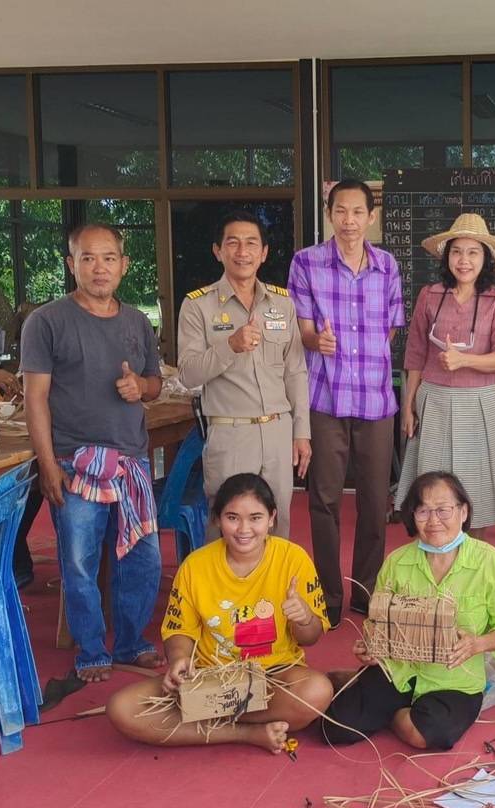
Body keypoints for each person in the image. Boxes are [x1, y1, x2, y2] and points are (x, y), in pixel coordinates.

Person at [21, 223, 164, 682]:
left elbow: (155, 384)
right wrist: (48, 466)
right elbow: (35, 399)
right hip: (75, 461)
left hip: (132, 461)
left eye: (108, 258)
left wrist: (140, 387)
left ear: (124, 265)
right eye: (87, 258)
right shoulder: (46, 322)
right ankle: (90, 649)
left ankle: (131, 641)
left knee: (143, 558)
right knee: (79, 560)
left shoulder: (138, 321)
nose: (99, 267)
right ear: (71, 264)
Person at [106, 473, 333, 753]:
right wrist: (179, 660)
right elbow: (179, 629)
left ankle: (203, 718)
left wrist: (304, 617)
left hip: (273, 676)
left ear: (272, 518)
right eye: (232, 517)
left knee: (316, 691)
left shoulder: (293, 559)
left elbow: (310, 637)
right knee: (122, 708)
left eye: (256, 518)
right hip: (207, 679)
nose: (244, 529)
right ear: (217, 519)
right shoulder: (196, 566)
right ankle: (246, 733)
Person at [324, 472, 495, 751]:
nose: (433, 520)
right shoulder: (398, 561)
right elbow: (377, 622)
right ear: (412, 516)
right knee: (335, 728)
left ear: (463, 512)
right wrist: (370, 646)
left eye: (443, 510)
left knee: (430, 735)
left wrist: (478, 644)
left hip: (455, 680)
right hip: (399, 671)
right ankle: (377, 696)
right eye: (423, 510)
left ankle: (387, 711)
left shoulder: (487, 560)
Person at [288, 179, 404, 627]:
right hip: (325, 398)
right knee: (324, 500)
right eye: (341, 211)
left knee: (376, 502)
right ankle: (329, 595)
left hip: (375, 400)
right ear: (329, 213)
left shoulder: (388, 265)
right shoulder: (306, 262)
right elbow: (300, 331)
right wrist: (318, 340)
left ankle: (365, 591)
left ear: (371, 218)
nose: (349, 220)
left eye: (358, 212)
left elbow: (391, 328)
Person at [178, 211, 310, 539]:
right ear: (217, 251)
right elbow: (189, 374)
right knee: (228, 526)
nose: (242, 251)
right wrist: (230, 346)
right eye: (232, 243)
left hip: (278, 432)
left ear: (264, 253)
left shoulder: (283, 304)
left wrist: (301, 431)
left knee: (277, 525)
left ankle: (274, 592)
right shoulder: (198, 306)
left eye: (251, 243)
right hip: (230, 433)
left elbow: (295, 371)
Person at [397, 213, 495, 532]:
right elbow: (415, 354)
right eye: (456, 251)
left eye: (473, 252)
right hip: (433, 402)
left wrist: (463, 360)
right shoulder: (430, 294)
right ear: (446, 255)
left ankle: (473, 569)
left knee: (476, 495)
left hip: (480, 404)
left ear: (486, 258)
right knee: (432, 492)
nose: (464, 260)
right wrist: (409, 405)